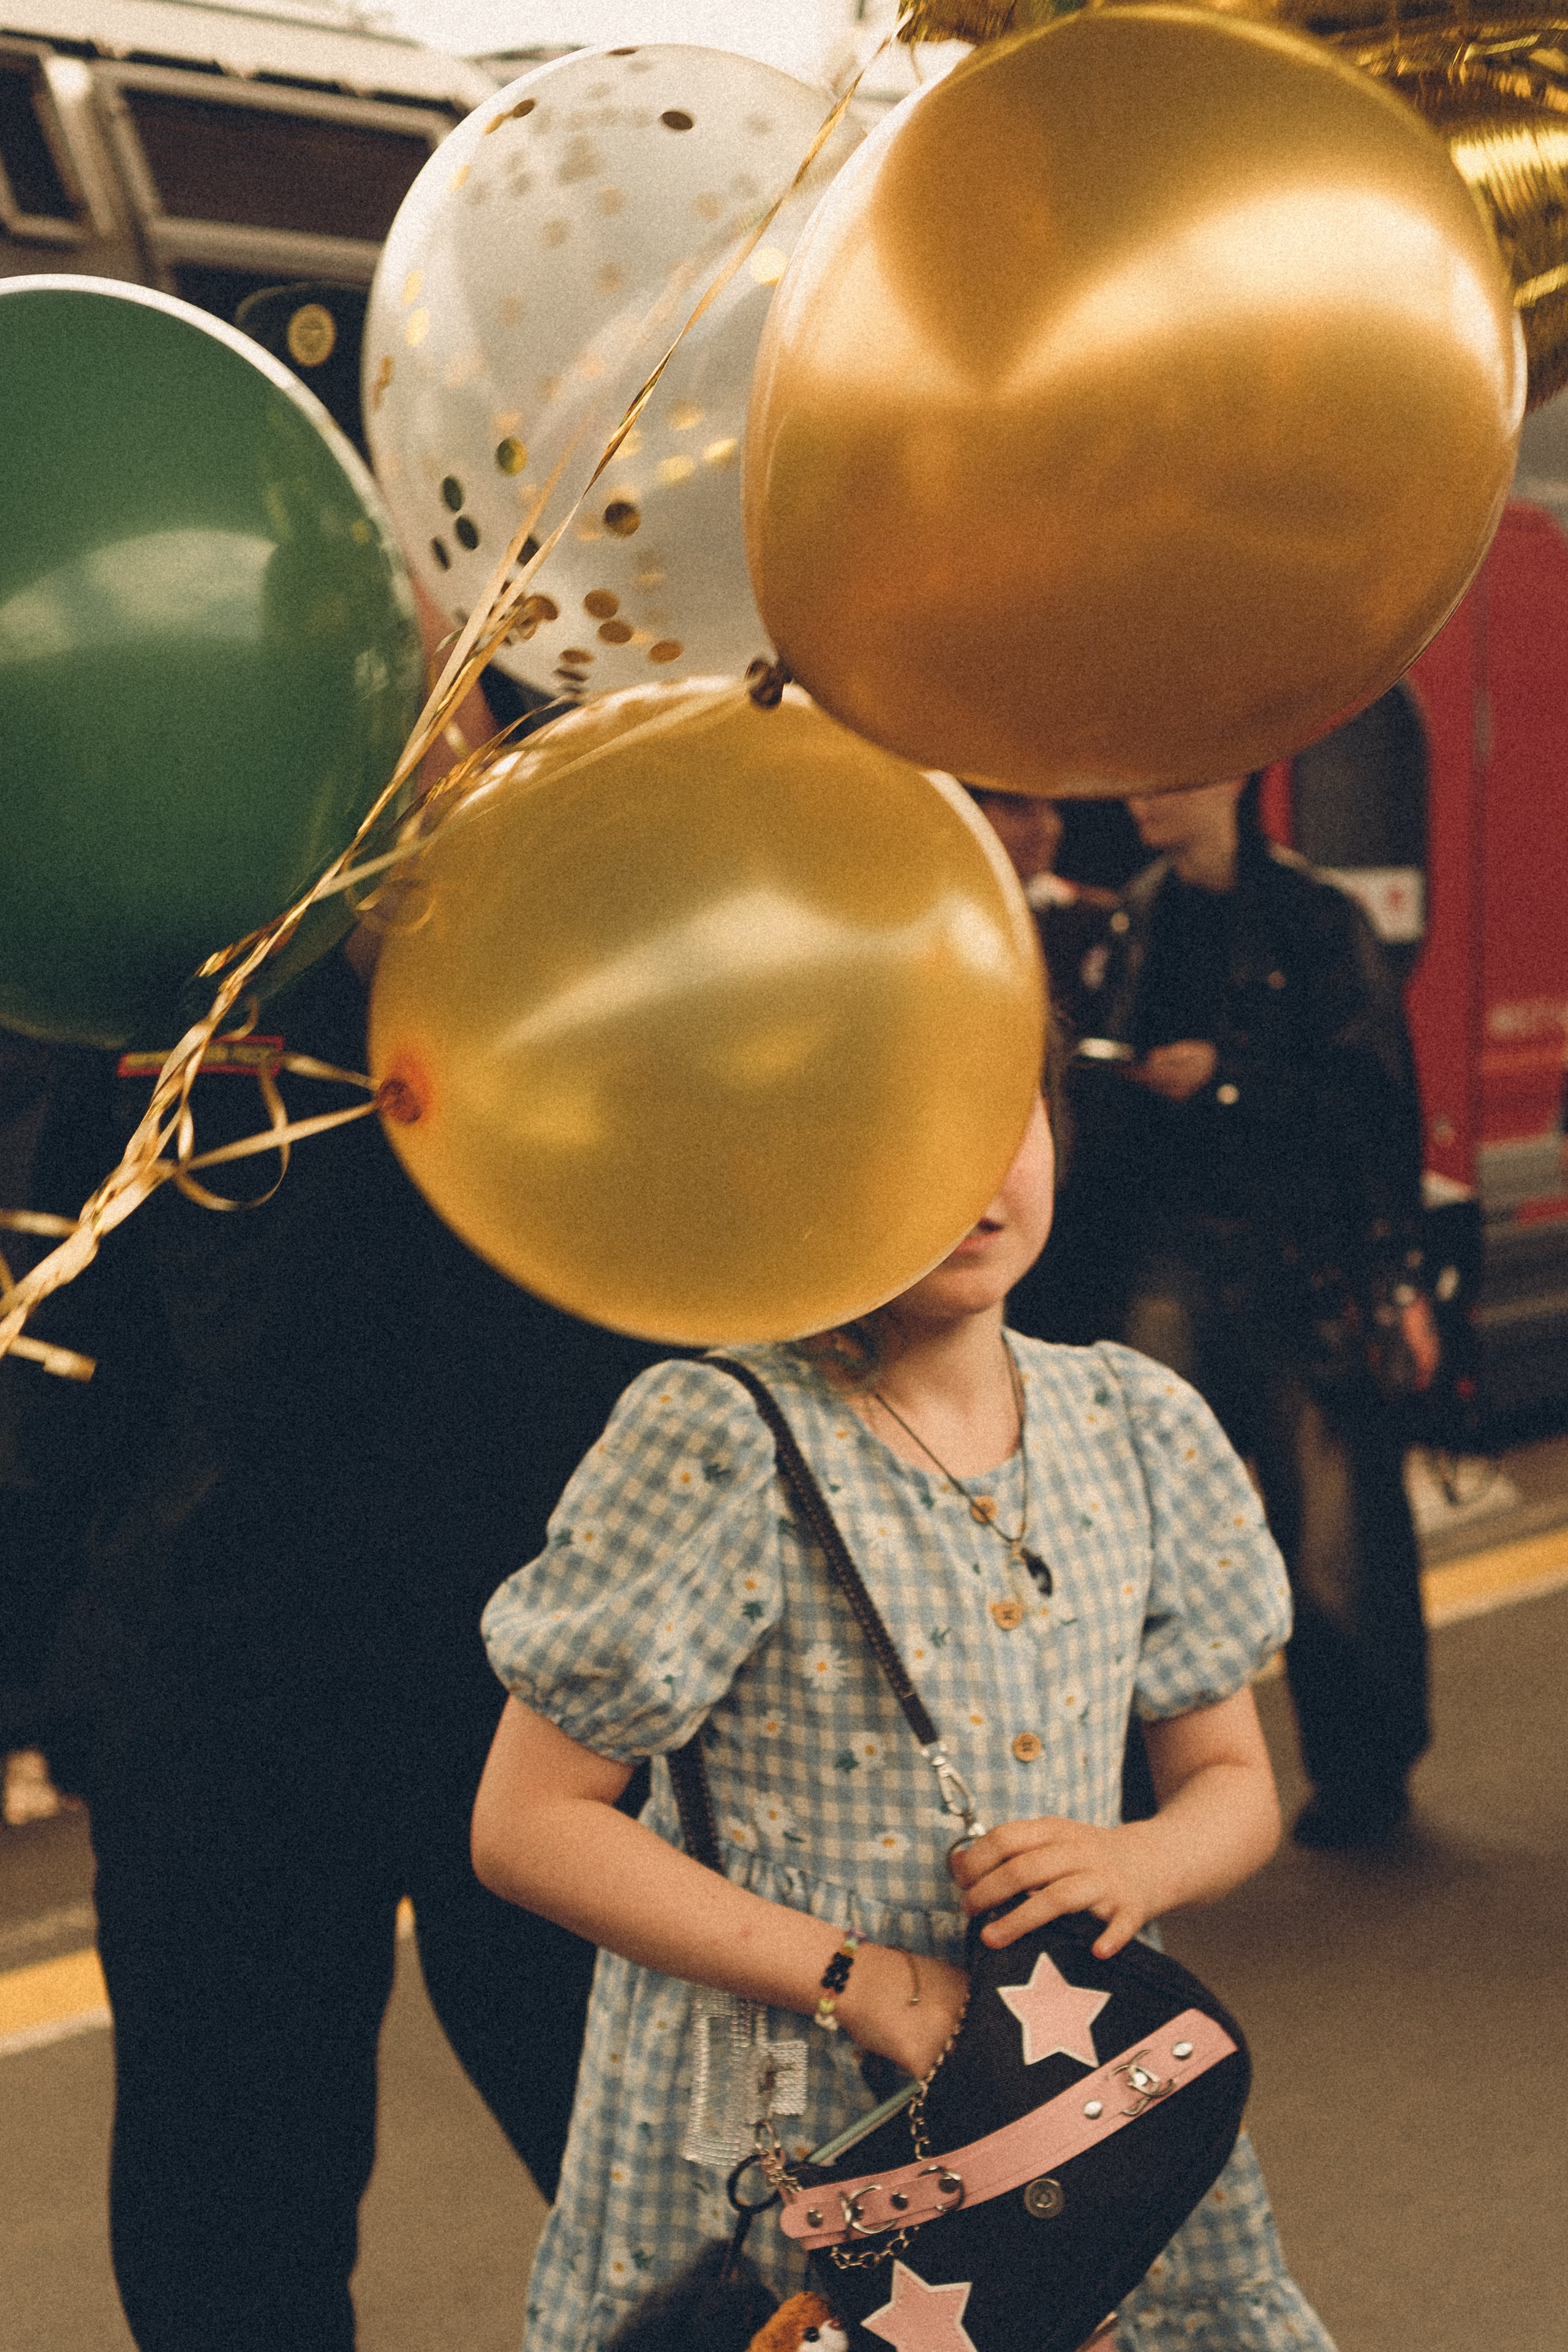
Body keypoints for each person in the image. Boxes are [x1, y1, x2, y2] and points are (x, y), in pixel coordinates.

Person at [474, 1099, 1337, 2352]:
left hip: (1063, 2103)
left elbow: (1230, 1779)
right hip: (774, 2103)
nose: (972, 1177)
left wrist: (1141, 1859)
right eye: (908, 1122)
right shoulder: (719, 1431)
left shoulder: (1137, 1421)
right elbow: (527, 1827)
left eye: (1006, 1118)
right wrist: (864, 1984)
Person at [17, 937, 669, 2352]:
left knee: (679, 2213)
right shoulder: (178, 943)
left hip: (569, 1697)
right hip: (225, 1680)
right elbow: (68, 1332)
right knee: (227, 2237)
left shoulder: (621, 929)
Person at [1011, 777, 1436, 1851]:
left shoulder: (1318, 916)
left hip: (1301, 1261)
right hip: (1166, 1253)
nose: (1139, 800)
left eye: (1169, 779)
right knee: (1137, 1527)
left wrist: (1227, 1079)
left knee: (1329, 1534)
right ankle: (1136, 1783)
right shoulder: (1136, 916)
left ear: (1235, 779)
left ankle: (1365, 1773)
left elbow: (1375, 1103)